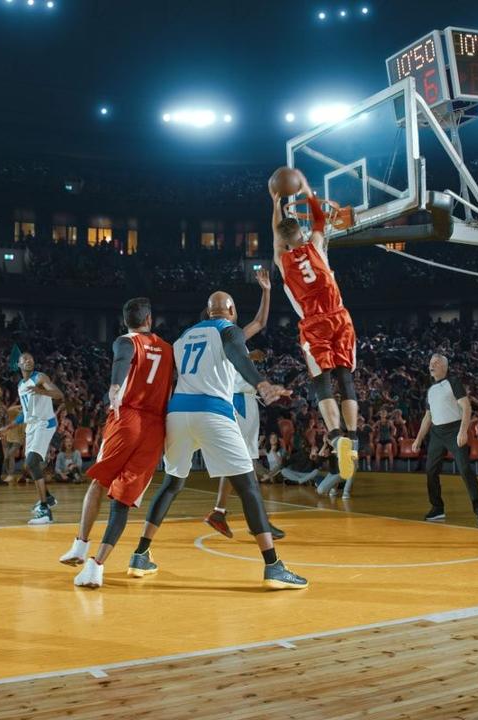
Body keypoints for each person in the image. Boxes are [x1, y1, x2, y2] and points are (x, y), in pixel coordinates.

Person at [128, 291, 307, 590]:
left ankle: (140, 554)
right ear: (232, 310)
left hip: (178, 414)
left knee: (172, 483)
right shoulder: (228, 330)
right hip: (212, 412)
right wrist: (261, 383)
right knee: (248, 486)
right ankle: (274, 567)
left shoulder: (184, 336)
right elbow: (238, 354)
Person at [59, 297, 174, 588]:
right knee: (122, 501)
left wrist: (114, 385)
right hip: (156, 427)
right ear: (150, 319)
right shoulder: (169, 348)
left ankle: (80, 545)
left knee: (99, 482)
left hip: (128, 419)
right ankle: (95, 567)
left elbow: (122, 359)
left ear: (127, 322)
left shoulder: (126, 341)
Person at [271, 170, 359, 481]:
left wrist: (275, 204)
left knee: (322, 384)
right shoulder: (317, 245)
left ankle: (337, 438)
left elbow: (275, 235)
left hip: (313, 325)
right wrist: (308, 190)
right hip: (340, 317)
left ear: (283, 240)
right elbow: (320, 221)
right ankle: (355, 439)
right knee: (346, 379)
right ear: (302, 234)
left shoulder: (282, 260)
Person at [203, 268, 285, 540]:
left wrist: (266, 292)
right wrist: (266, 291)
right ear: (229, 310)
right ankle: (259, 522)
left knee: (236, 461)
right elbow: (260, 323)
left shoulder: (212, 336)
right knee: (246, 462)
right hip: (241, 401)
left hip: (230, 401)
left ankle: (220, 511)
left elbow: (256, 328)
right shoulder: (229, 334)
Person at [410, 354, 478, 527]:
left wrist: (463, 431)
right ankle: (437, 508)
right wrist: (418, 439)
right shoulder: (431, 390)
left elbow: (467, 407)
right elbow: (427, 416)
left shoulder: (453, 382)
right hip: (437, 433)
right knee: (431, 471)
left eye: (436, 363)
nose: (432, 365)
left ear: (445, 367)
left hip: (454, 429)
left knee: (464, 470)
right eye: (431, 363)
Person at [0, 352, 64, 525]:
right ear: (18, 365)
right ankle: (47, 498)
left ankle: (44, 510)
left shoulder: (39, 377)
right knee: (29, 464)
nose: (29, 361)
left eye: (31, 359)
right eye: (24, 359)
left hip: (45, 423)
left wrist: (40, 390)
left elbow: (58, 394)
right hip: (32, 426)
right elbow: (25, 414)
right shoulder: (20, 385)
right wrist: (8, 427)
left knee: (33, 462)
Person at [1, 403, 24, 484]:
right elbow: (9, 409)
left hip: (18, 440)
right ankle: (9, 474)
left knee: (10, 454)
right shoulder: (13, 413)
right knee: (6, 457)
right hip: (8, 438)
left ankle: (11, 474)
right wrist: (20, 406)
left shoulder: (24, 416)